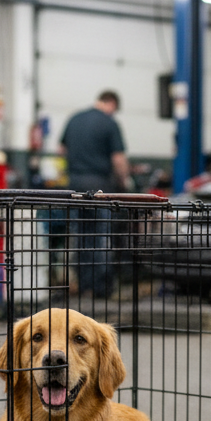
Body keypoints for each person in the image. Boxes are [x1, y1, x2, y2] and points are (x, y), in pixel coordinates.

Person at [59, 91, 130, 298]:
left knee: (80, 236)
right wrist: (124, 181)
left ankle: (83, 284)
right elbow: (118, 159)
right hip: (100, 186)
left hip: (74, 186)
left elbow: (61, 149)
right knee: (100, 236)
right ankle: (100, 288)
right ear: (112, 103)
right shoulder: (109, 123)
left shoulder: (74, 119)